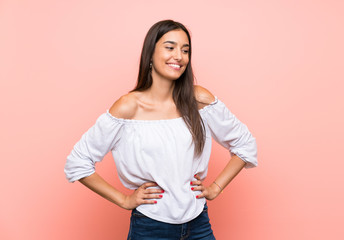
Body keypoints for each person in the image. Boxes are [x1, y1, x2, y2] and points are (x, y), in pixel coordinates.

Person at [64, 19, 257, 240]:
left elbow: (244, 143)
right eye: (170, 47)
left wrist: (215, 187)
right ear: (150, 54)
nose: (179, 56)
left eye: (185, 50)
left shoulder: (199, 99)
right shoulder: (129, 107)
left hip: (198, 223)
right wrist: (124, 200)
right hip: (150, 227)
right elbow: (77, 163)